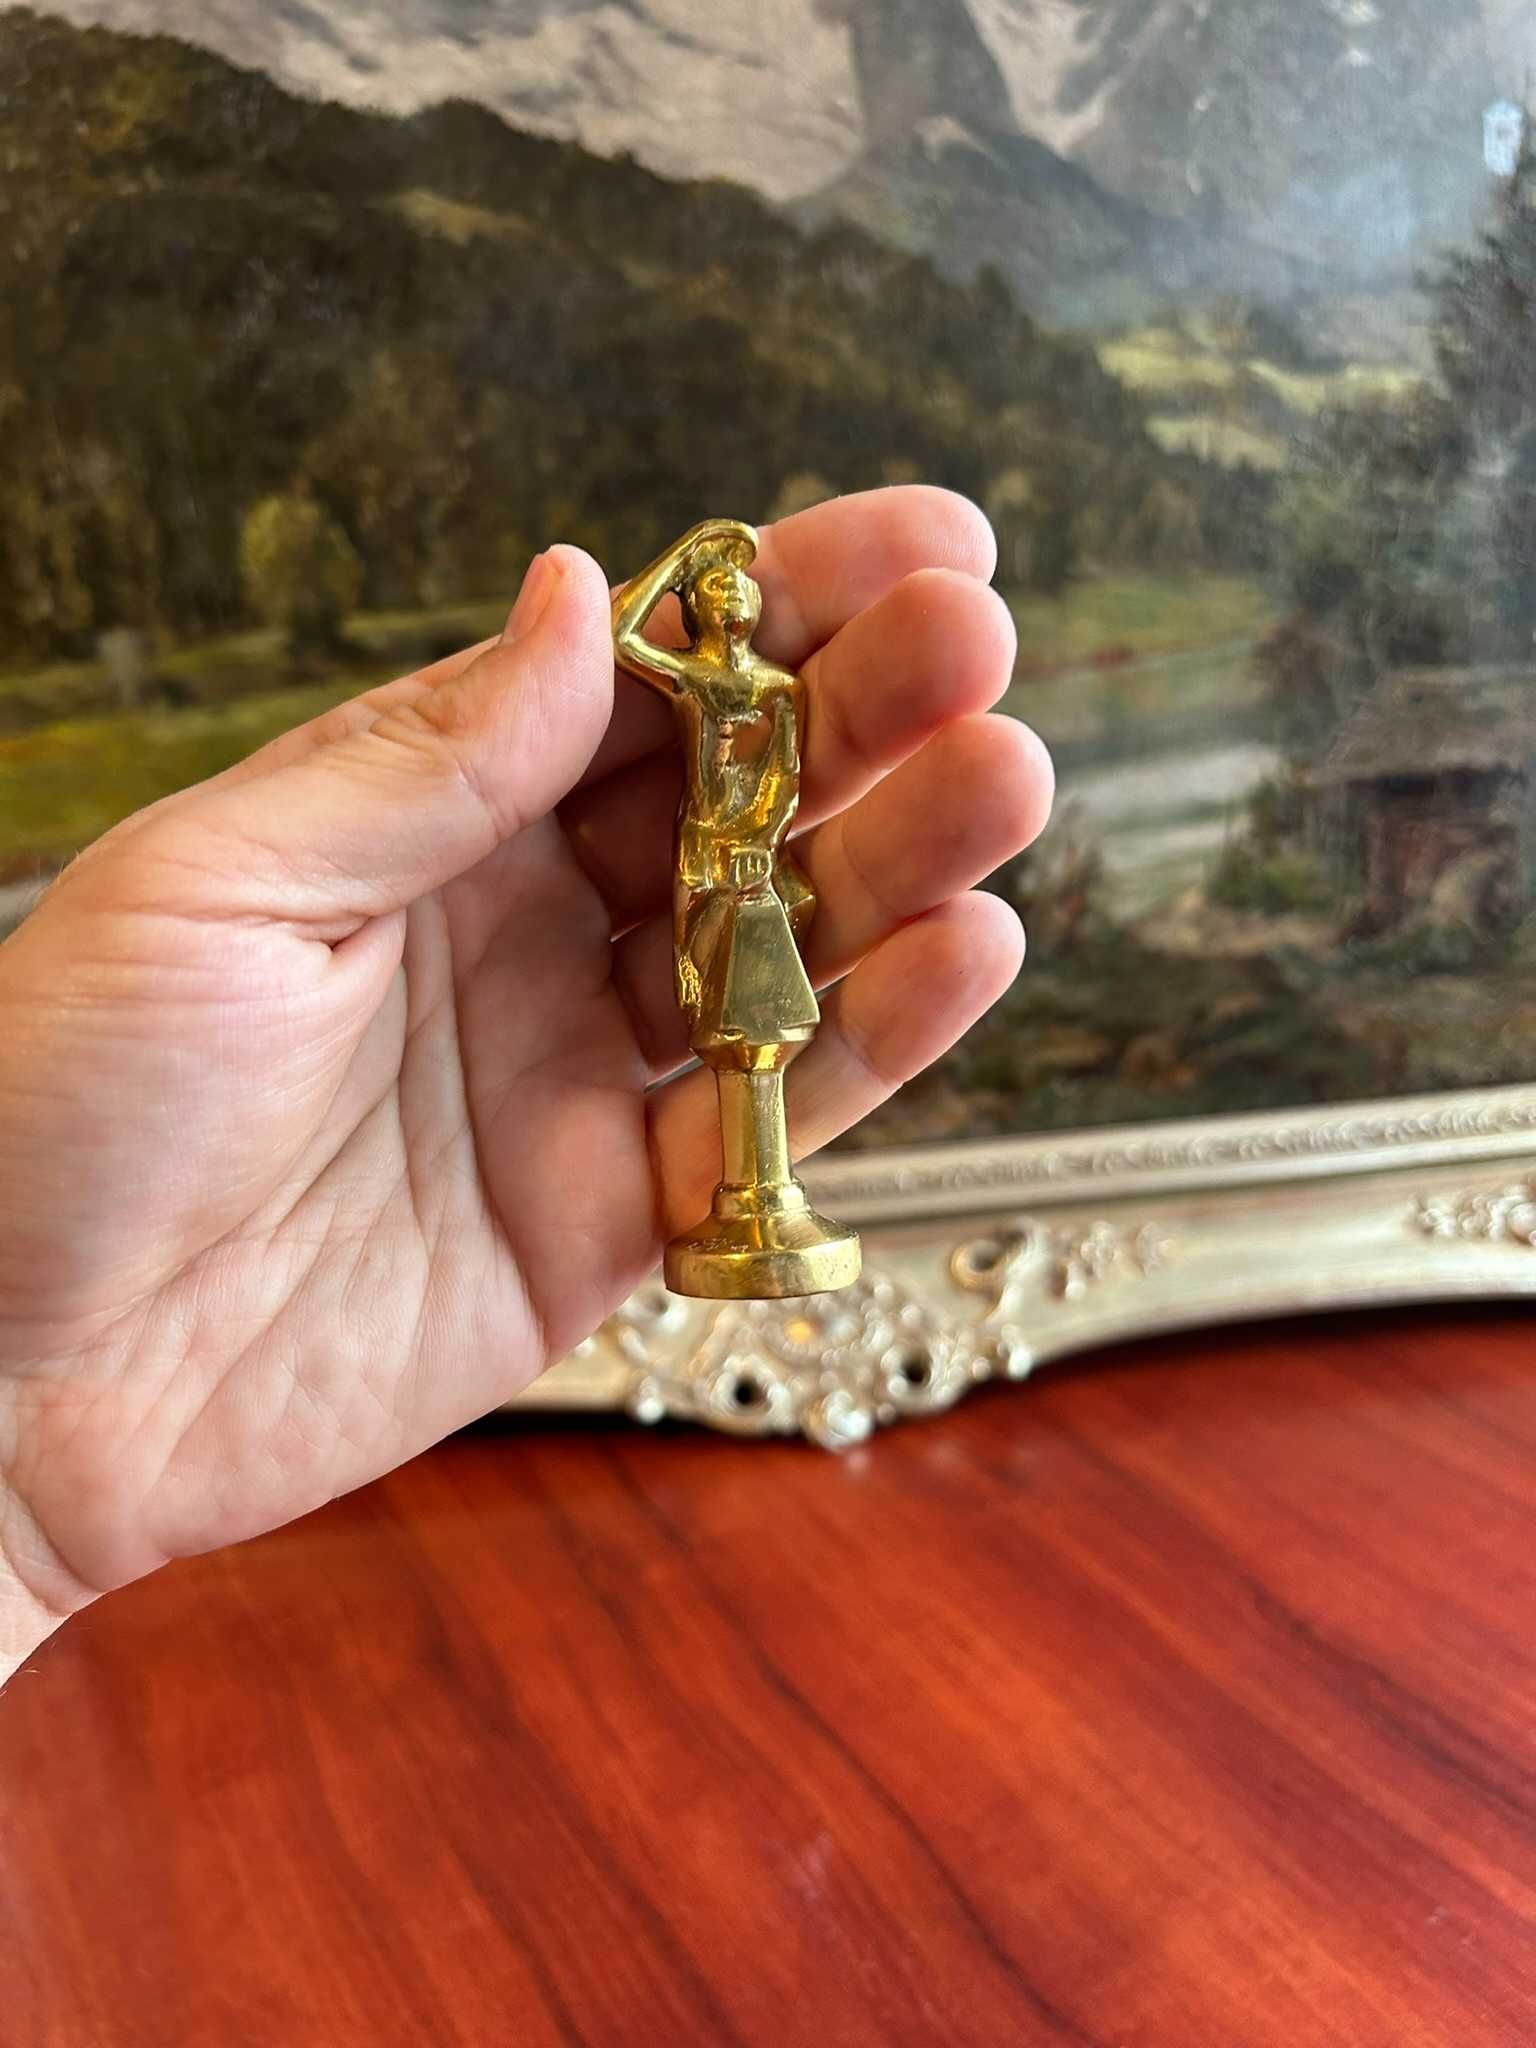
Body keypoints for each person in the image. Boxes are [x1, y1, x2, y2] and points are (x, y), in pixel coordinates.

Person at [0, 487, 1053, 1681]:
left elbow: (706, 711)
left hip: (738, 874)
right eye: (712, 594)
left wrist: (691, 607)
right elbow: (626, 643)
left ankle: (763, 1201)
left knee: (758, 1038)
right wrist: (686, 559)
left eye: (727, 595)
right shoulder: (721, 684)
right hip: (717, 873)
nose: (718, 607)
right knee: (735, 1037)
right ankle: (753, 1201)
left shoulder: (754, 687)